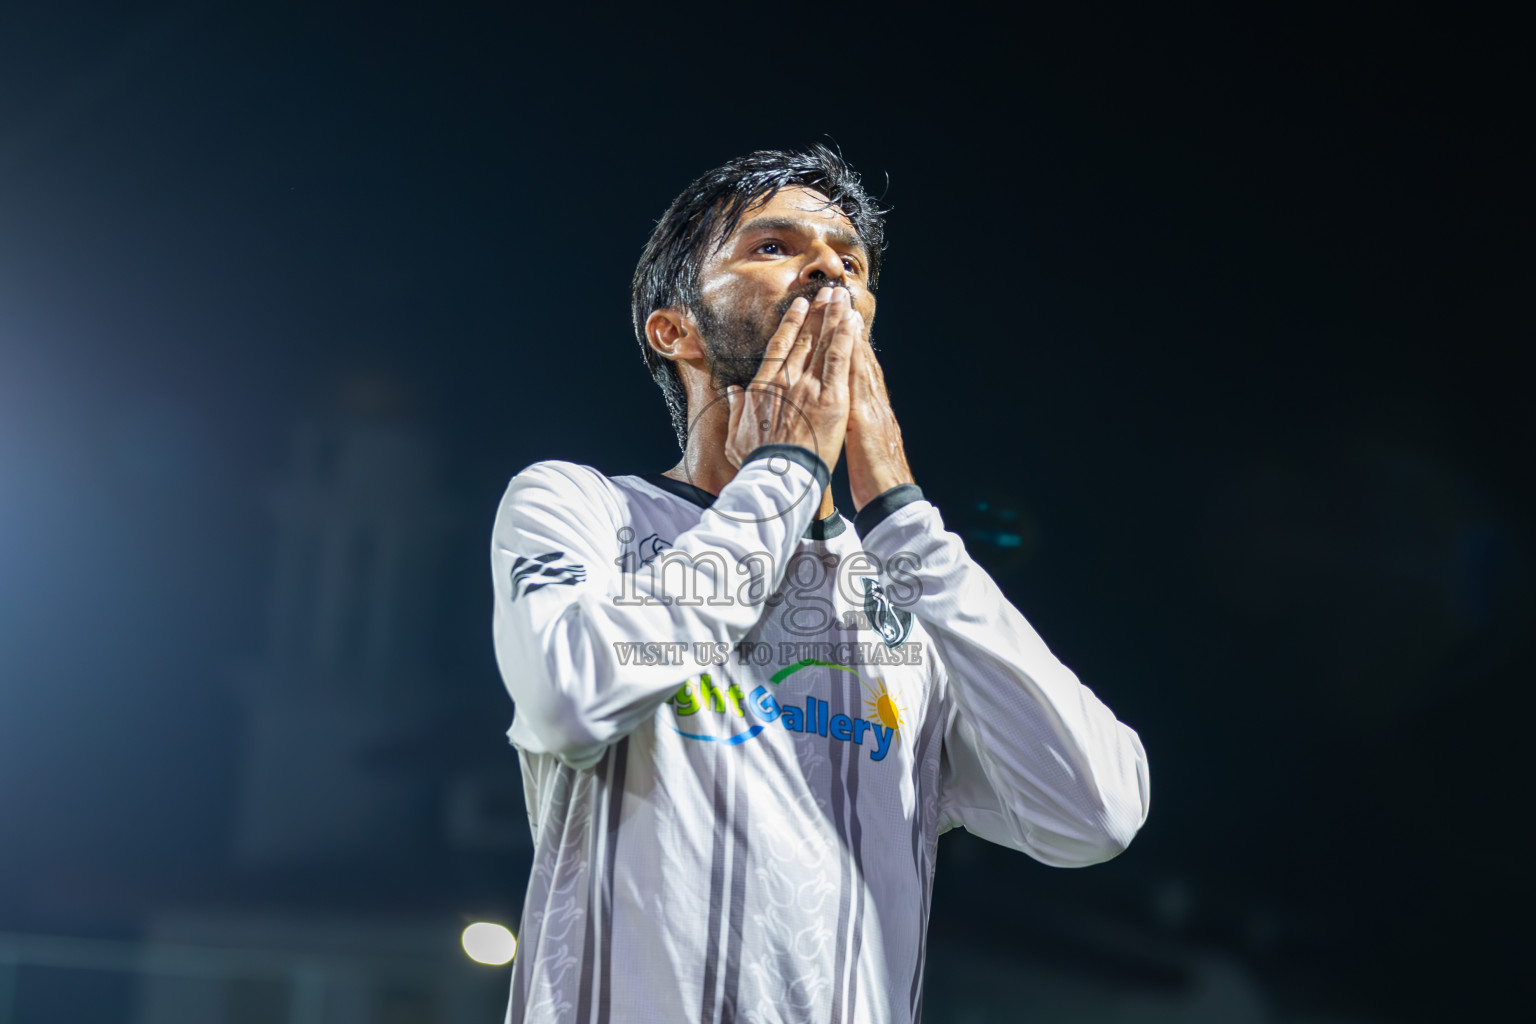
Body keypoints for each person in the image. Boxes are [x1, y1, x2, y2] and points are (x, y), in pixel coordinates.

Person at [489, 144, 1150, 1024]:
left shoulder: (910, 595)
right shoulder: (582, 508)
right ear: (675, 329)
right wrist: (788, 469)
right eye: (775, 247)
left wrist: (909, 524)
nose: (829, 271)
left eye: (851, 259)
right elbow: (569, 699)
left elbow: (1094, 813)